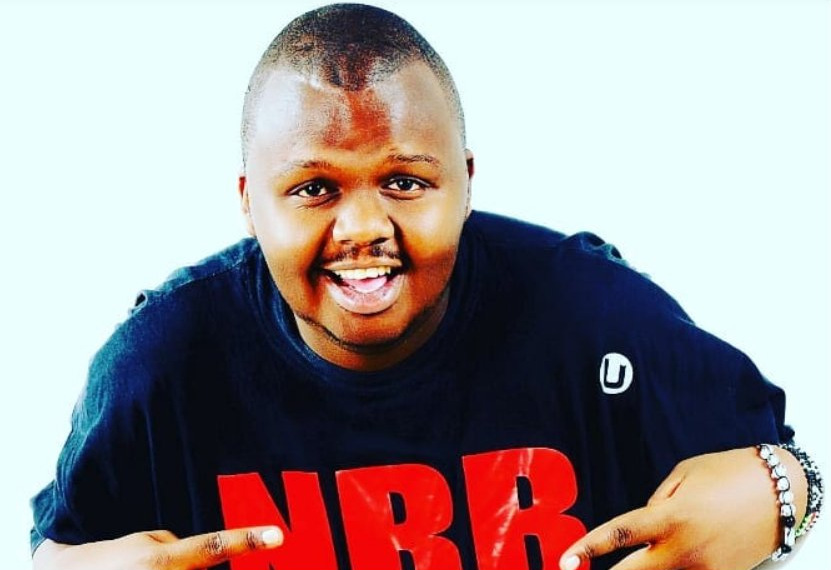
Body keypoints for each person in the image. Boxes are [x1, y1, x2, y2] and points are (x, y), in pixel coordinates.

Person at [29, 4, 823, 570]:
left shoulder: (591, 318)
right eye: (313, 189)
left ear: (465, 182)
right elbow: (62, 550)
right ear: (248, 201)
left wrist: (782, 499)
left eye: (404, 181)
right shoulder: (162, 365)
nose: (361, 227)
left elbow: (780, 470)